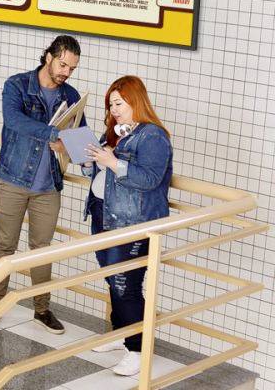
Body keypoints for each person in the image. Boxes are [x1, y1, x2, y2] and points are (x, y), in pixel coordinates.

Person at [0, 35, 84, 333]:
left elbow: (79, 135)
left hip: (48, 186)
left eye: (72, 68)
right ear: (48, 57)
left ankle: (42, 309)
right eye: (63, 64)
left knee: (42, 249)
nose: (66, 72)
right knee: (5, 246)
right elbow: (13, 120)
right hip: (13, 178)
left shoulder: (72, 95)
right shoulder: (17, 85)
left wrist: (72, 147)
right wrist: (54, 135)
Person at [83, 76, 172, 376]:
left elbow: (149, 179)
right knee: (112, 280)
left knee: (126, 286)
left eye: (119, 103)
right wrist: (90, 161)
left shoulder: (153, 137)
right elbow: (103, 173)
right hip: (103, 215)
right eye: (110, 105)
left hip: (133, 222)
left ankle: (137, 348)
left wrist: (112, 162)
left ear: (136, 101)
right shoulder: (116, 134)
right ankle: (122, 334)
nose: (114, 110)